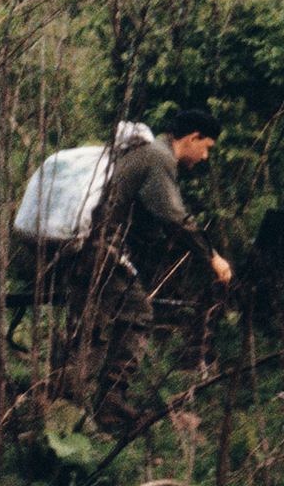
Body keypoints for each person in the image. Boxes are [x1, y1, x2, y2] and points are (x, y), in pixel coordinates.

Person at [65, 107, 234, 421]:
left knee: (93, 322)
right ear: (193, 137)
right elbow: (175, 218)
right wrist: (212, 257)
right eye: (207, 147)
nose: (205, 157)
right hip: (100, 248)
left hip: (90, 245)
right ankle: (97, 406)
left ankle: (79, 406)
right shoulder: (159, 158)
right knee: (129, 318)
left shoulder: (145, 153)